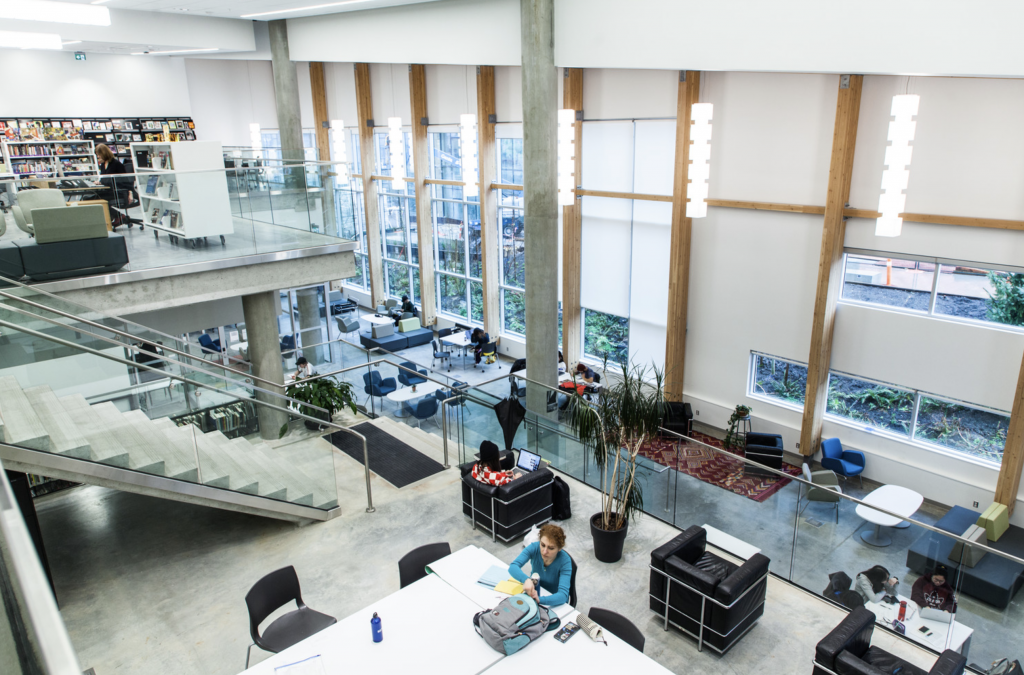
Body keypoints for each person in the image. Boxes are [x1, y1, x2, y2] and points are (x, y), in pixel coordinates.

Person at [509, 523, 572, 606]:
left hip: (553, 600)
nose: (544, 551)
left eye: (551, 548)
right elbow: (513, 567)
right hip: (535, 592)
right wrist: (527, 580)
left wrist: (539, 599)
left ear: (560, 548)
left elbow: (563, 595)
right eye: (542, 545)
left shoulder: (565, 561)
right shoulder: (534, 548)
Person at [93, 144, 134, 229]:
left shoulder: (116, 164)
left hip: (118, 191)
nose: (98, 156)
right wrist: (99, 182)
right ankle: (117, 216)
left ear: (104, 153)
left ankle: (119, 216)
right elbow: (104, 179)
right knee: (90, 198)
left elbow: (126, 180)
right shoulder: (103, 164)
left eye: (99, 154)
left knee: (97, 200)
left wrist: (130, 192)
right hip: (109, 190)